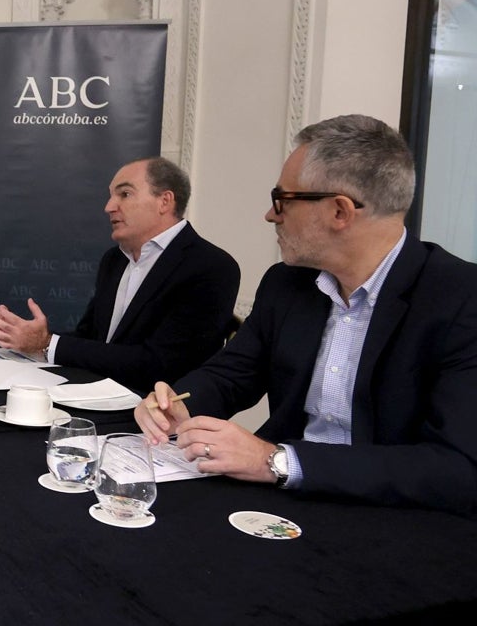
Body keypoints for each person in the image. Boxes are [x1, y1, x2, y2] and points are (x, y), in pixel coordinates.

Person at [136, 115, 477, 515]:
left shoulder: (460, 299)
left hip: (397, 520)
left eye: (282, 200)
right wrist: (181, 404)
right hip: (282, 505)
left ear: (340, 212)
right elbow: (234, 372)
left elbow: (456, 468)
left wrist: (275, 461)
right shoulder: (287, 283)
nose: (270, 215)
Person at [0, 157, 240, 392]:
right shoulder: (115, 260)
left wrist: (46, 343)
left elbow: (161, 365)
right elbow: (90, 339)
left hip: (152, 418)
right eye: (110, 196)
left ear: (164, 201)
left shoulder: (211, 267)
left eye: (125, 194)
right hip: (91, 394)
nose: (109, 207)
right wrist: (25, 338)